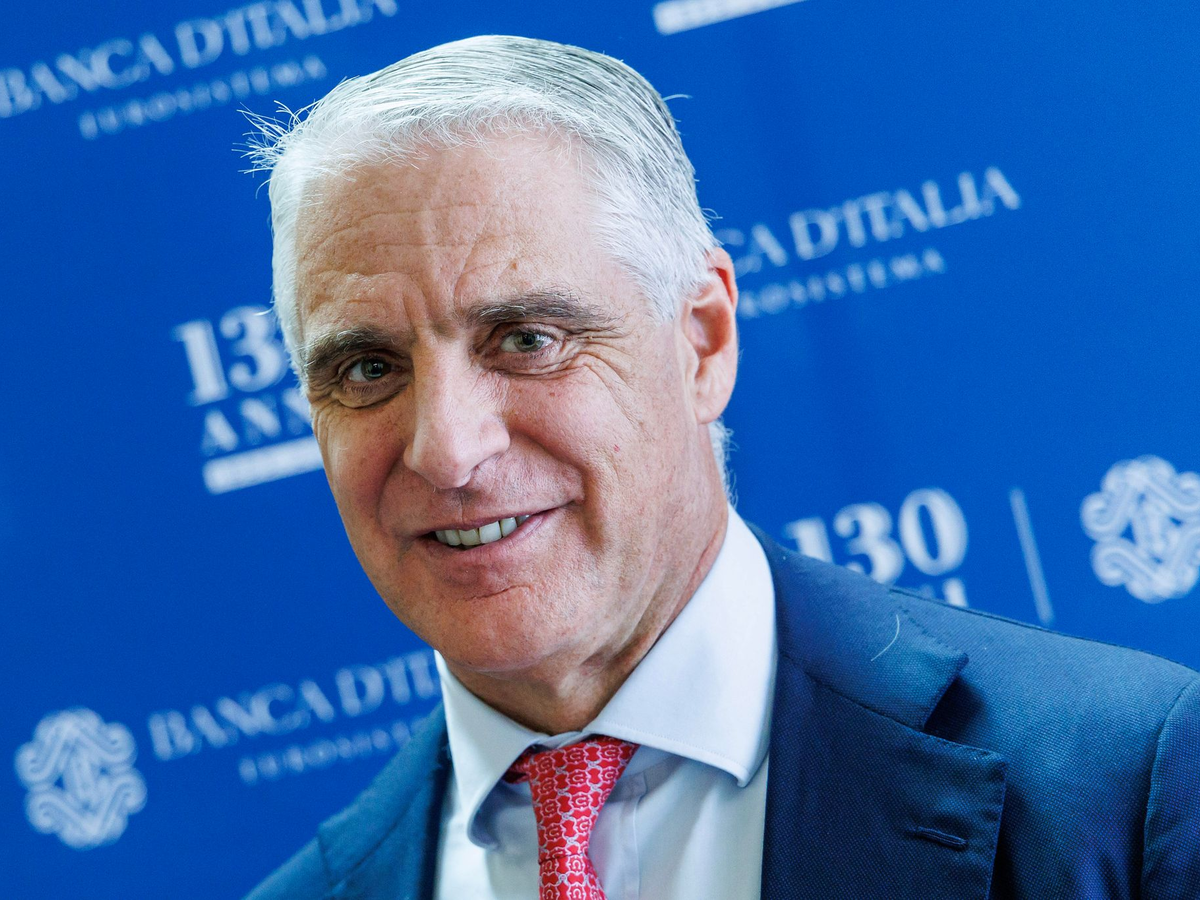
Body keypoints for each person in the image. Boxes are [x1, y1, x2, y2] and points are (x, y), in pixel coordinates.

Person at [244, 35, 1200, 900]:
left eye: (528, 339)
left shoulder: (1121, 787)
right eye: (367, 370)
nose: (449, 451)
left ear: (702, 341)